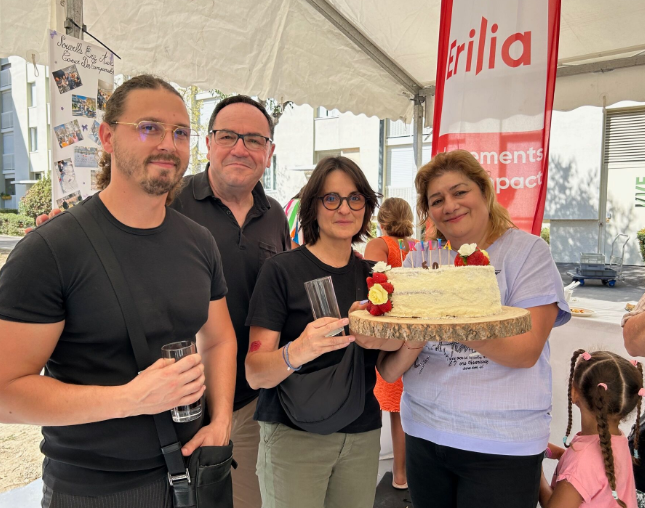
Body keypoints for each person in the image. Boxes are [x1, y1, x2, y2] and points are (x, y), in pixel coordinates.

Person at [0, 74, 237, 507]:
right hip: (95, 489)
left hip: (196, 474)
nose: (169, 143)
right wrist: (130, 399)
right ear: (107, 136)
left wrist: (221, 419)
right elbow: (5, 394)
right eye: (149, 127)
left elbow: (219, 336)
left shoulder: (199, 241)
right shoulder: (51, 251)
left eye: (181, 132)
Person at [378, 149, 571, 508]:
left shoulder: (527, 253)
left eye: (459, 191)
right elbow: (392, 361)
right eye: (437, 200)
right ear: (428, 211)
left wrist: (446, 315)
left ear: (484, 191)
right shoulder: (421, 260)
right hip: (424, 431)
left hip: (499, 442)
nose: (449, 205)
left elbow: (526, 349)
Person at [245, 156, 400, 508]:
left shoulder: (376, 276)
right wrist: (298, 350)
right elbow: (255, 373)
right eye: (331, 198)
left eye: (355, 198)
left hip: (361, 432)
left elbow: (388, 369)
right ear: (313, 206)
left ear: (366, 206)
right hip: (293, 434)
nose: (344, 208)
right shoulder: (280, 271)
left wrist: (400, 336)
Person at [170, 95, 291, 508]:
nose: (240, 148)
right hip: (180, 402)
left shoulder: (275, 213)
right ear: (209, 143)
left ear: (269, 153)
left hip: (255, 398)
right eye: (228, 136)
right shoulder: (172, 203)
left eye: (255, 140)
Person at [540, 350, 641, 508]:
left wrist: (536, 473)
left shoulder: (583, 461)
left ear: (574, 393)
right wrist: (563, 455)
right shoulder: (617, 440)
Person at [364, 196, 416, 489]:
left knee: (394, 410)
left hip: (391, 333)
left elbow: (370, 284)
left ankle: (399, 475)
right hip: (417, 332)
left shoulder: (380, 245)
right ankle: (407, 473)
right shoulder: (414, 245)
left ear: (381, 219)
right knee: (410, 406)